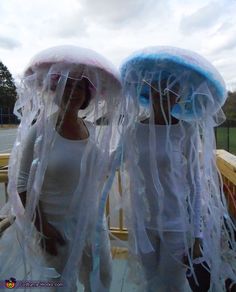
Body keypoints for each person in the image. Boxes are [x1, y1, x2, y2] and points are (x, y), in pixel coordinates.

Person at [0, 45, 121, 292]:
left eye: (80, 87)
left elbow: (104, 165)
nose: (73, 92)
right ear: (57, 89)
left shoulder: (91, 130)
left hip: (92, 226)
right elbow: (22, 183)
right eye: (68, 85)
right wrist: (44, 230)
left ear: (87, 95)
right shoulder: (40, 130)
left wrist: (136, 138)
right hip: (55, 227)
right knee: (61, 287)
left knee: (102, 280)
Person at [119, 46, 236, 291]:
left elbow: (195, 185)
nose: (163, 93)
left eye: (171, 89)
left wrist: (197, 236)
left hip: (176, 225)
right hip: (143, 224)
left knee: (171, 284)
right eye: (157, 87)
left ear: (180, 95)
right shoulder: (133, 130)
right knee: (151, 281)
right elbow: (109, 163)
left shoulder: (186, 131)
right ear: (147, 89)